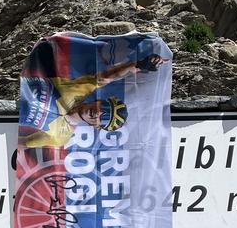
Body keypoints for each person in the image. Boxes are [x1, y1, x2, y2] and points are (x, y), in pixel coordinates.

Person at [18, 42, 166, 149]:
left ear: (97, 126)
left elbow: (23, 144)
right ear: (99, 100)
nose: (100, 113)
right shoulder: (80, 90)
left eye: (105, 117)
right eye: (105, 108)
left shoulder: (60, 138)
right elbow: (109, 76)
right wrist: (138, 65)